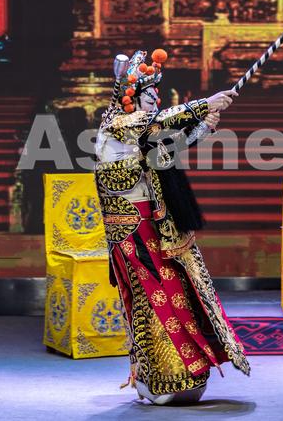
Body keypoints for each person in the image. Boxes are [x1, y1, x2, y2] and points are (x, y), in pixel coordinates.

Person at [94, 49, 248, 405]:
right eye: (148, 96)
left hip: (155, 227)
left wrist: (204, 125)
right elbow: (160, 122)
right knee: (153, 299)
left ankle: (185, 372)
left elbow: (168, 144)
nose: (154, 101)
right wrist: (204, 104)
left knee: (177, 291)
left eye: (156, 96)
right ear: (130, 98)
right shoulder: (118, 124)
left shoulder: (140, 130)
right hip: (133, 232)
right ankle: (161, 377)